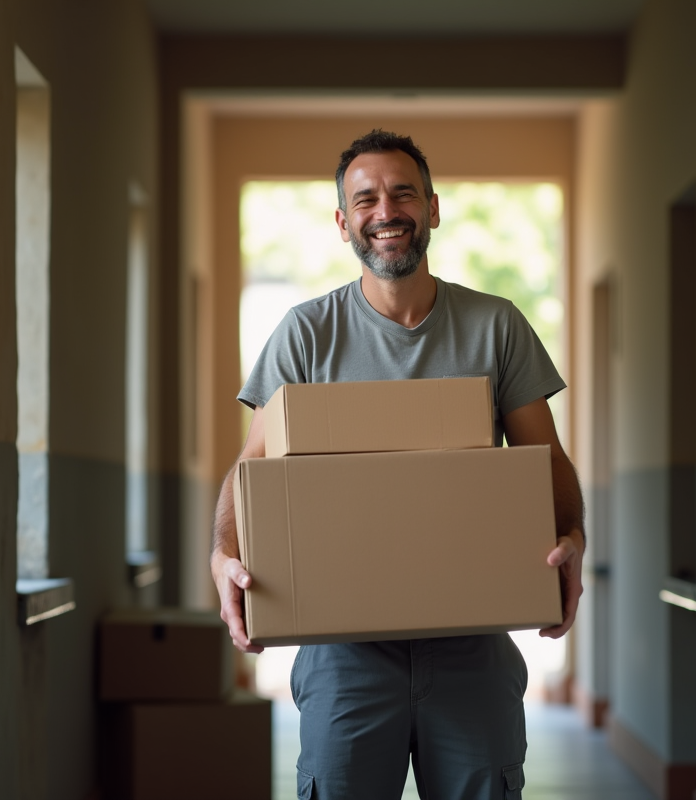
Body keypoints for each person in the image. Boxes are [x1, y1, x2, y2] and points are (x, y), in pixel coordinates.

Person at [211, 129, 585, 800]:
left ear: (433, 208)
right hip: (343, 653)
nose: (386, 212)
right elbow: (251, 470)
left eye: (403, 193)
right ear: (343, 222)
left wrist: (572, 543)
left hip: (471, 640)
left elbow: (544, 458)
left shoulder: (495, 327)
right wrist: (224, 556)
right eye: (366, 199)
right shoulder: (306, 334)